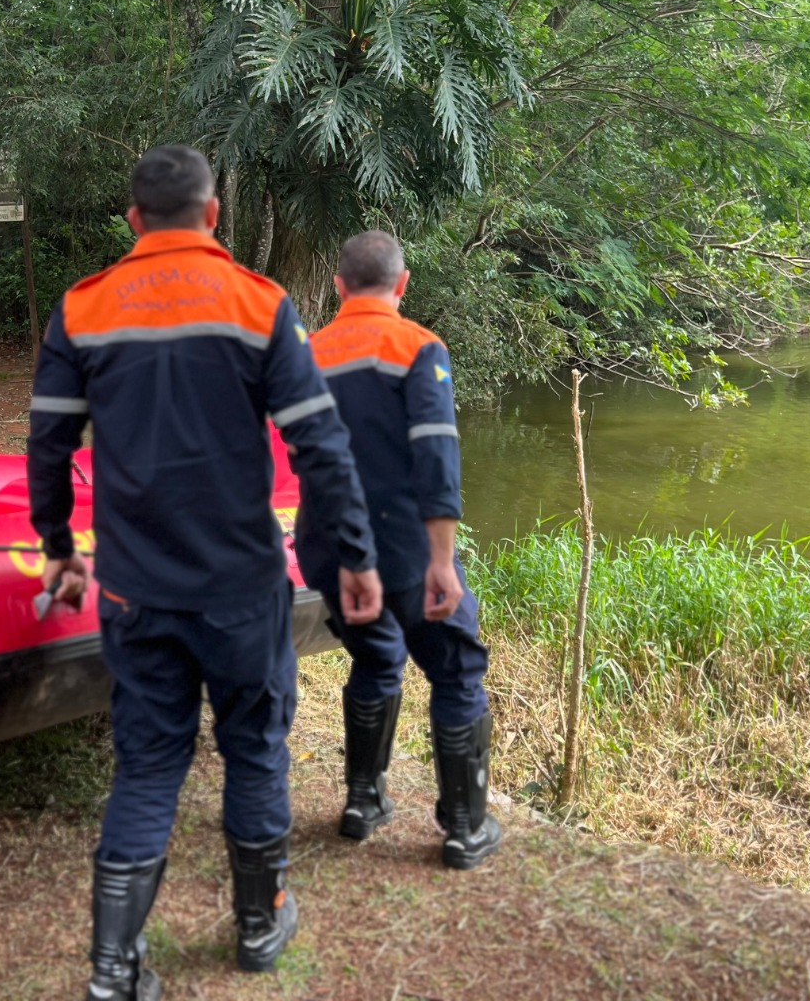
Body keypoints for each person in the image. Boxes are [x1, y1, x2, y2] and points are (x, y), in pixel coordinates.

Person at [27, 145, 383, 1001]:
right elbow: (322, 450)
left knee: (148, 765)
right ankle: (261, 925)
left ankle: (114, 969)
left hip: (132, 589)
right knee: (256, 751)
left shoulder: (84, 307)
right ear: (214, 215)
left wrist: (58, 549)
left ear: (133, 219)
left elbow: (47, 445)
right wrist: (357, 558)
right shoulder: (259, 305)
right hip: (241, 590)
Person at [298, 231, 502, 870]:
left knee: (376, 657)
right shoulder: (418, 348)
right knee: (456, 668)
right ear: (403, 283)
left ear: (338, 286)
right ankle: (465, 829)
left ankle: (363, 802)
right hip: (407, 550)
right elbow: (436, 453)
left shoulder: (308, 354)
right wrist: (442, 560)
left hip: (329, 548)